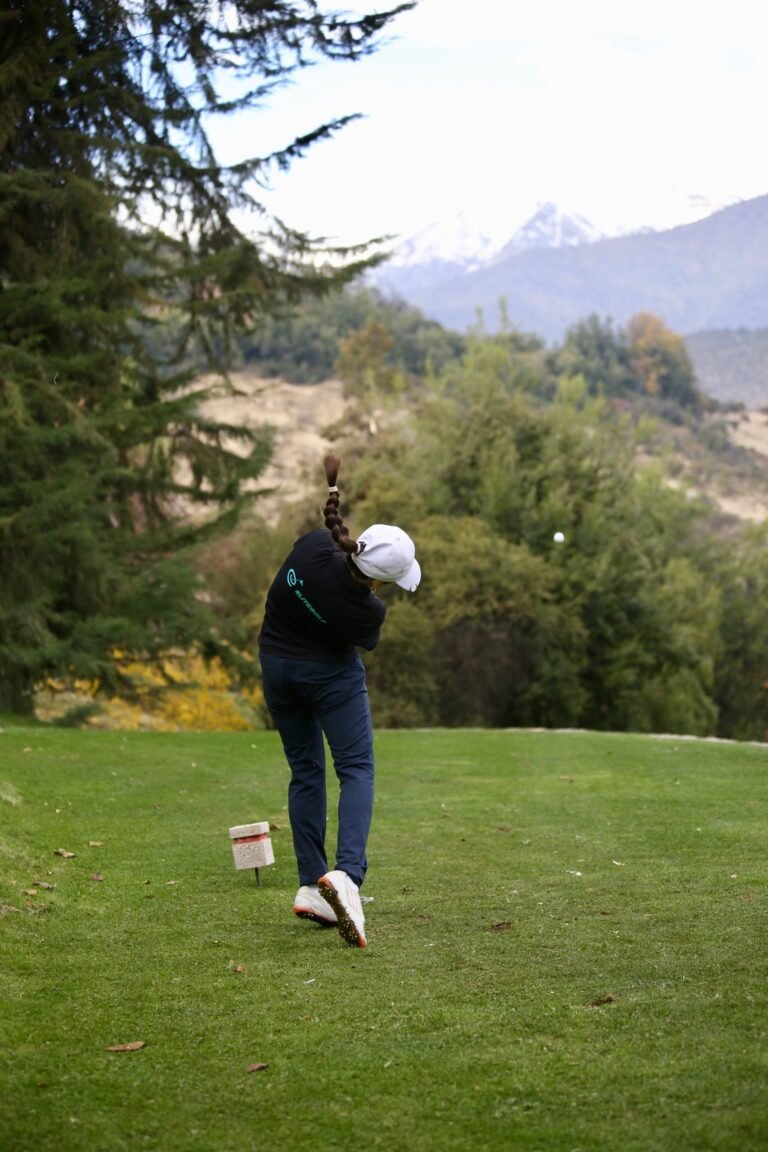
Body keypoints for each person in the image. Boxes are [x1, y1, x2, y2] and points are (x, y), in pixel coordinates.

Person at [257, 454, 421, 948]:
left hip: (277, 669)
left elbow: (316, 561)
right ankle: (347, 875)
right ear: (380, 580)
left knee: (305, 771)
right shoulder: (369, 612)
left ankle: (312, 886)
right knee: (356, 769)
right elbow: (356, 637)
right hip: (328, 678)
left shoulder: (312, 546)